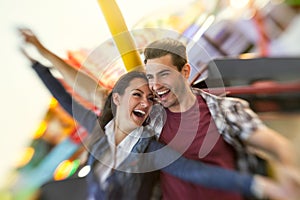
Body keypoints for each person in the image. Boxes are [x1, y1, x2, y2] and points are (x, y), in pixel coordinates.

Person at [19, 28, 300, 199]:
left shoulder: (219, 111)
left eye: (163, 75)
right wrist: (40, 55)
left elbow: (268, 143)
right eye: (150, 78)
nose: (154, 87)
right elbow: (78, 90)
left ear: (184, 72)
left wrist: (280, 173)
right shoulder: (142, 118)